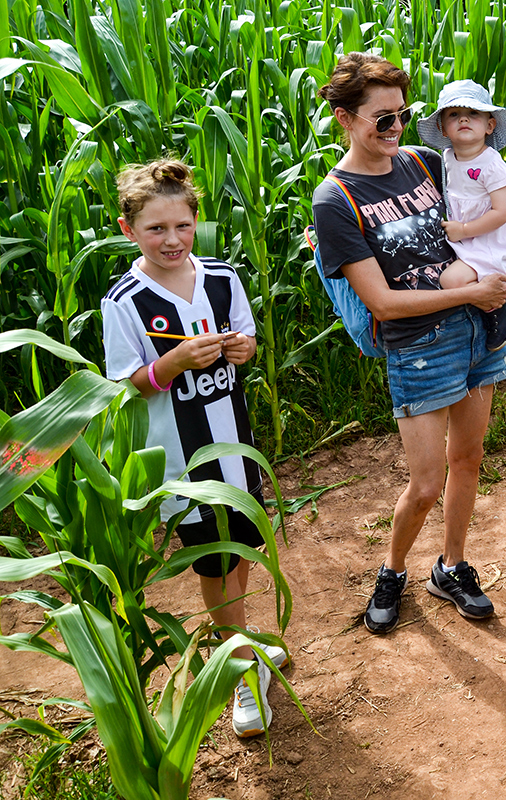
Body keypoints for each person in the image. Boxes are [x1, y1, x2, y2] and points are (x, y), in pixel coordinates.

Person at [312, 54, 506, 632]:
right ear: (345, 118)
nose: (396, 129)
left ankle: (451, 567)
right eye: (382, 119)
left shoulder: (427, 163)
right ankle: (394, 569)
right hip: (419, 345)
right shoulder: (336, 200)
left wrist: (502, 274)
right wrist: (470, 295)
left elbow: (493, 215)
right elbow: (381, 303)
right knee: (426, 483)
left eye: (403, 115)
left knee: (469, 459)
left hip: (479, 330)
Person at [101, 159, 288, 738]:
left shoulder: (221, 278)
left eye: (181, 226)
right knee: (213, 561)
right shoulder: (125, 300)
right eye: (156, 229)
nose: (171, 240)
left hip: (236, 446)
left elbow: (249, 339)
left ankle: (242, 642)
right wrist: (173, 363)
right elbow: (123, 382)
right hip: (185, 461)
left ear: (196, 223)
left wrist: (240, 350)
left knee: (241, 552)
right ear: (128, 229)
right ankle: (238, 675)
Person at [416, 79, 506, 352]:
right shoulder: (448, 157)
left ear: (489, 125)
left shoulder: (491, 164)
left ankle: (497, 308)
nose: (464, 118)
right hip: (466, 236)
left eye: (473, 113)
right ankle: (483, 303)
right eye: (454, 114)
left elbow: (502, 213)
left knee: (450, 281)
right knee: (450, 279)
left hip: (490, 238)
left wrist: (464, 229)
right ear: (443, 127)